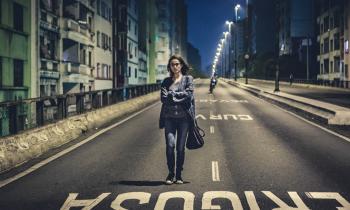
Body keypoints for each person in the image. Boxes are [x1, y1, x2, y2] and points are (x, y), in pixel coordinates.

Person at [159, 55, 194, 185]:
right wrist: (179, 96)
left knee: (180, 148)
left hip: (184, 119)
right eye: (172, 64)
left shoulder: (188, 79)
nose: (175, 66)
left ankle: (179, 175)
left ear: (181, 65)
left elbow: (189, 95)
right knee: (170, 146)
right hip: (169, 118)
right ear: (170, 67)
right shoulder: (166, 81)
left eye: (177, 64)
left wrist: (172, 95)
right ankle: (170, 173)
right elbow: (163, 98)